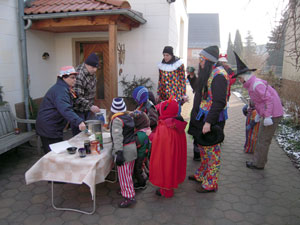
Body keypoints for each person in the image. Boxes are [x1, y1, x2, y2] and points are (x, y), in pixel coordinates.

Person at [188, 46, 229, 193]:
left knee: (212, 153)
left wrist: (208, 123)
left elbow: (219, 102)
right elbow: (199, 90)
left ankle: (211, 183)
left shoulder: (219, 75)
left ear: (209, 61)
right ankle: (202, 174)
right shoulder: (209, 72)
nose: (200, 62)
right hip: (202, 118)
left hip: (212, 120)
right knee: (204, 149)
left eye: (201, 59)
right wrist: (192, 77)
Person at [233, 52, 284, 170]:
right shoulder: (252, 85)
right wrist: (259, 114)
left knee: (263, 140)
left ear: (245, 76)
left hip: (273, 114)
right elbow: (259, 101)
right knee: (262, 138)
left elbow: (269, 100)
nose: (239, 80)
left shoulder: (256, 85)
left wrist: (267, 116)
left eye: (240, 77)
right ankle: (259, 161)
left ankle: (258, 163)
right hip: (269, 113)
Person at [36, 66, 87, 154]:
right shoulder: (60, 90)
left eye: (75, 77)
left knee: (57, 151)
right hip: (49, 126)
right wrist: (79, 121)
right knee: (52, 154)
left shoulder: (65, 88)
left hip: (53, 126)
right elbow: (65, 109)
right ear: (63, 77)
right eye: (72, 77)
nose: (75, 80)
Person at [149, 98, 187, 198]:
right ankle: (169, 188)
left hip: (167, 154)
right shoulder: (176, 123)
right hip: (174, 153)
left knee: (166, 168)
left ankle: (166, 190)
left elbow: (159, 140)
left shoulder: (165, 126)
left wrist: (150, 135)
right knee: (172, 167)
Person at [110, 97, 137, 208]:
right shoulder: (128, 117)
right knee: (128, 173)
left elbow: (118, 138)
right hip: (132, 148)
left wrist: (118, 152)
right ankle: (126, 190)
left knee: (124, 176)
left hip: (125, 150)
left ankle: (129, 196)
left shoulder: (117, 120)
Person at [72, 52, 101, 136]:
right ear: (86, 64)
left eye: (96, 67)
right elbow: (76, 97)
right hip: (78, 111)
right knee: (79, 135)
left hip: (87, 109)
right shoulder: (79, 75)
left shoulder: (92, 73)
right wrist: (91, 106)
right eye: (93, 67)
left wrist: (91, 107)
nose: (95, 70)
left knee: (89, 134)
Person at [130, 110, 151, 190]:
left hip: (140, 154)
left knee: (137, 169)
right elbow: (146, 141)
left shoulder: (139, 135)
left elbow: (136, 144)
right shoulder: (146, 131)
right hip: (145, 153)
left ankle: (141, 183)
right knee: (142, 166)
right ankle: (145, 176)